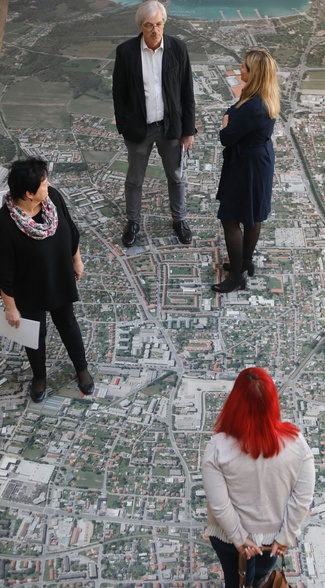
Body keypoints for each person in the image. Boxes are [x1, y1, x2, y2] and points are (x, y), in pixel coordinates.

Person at [202, 367, 315, 588]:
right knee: (258, 579)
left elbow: (219, 505)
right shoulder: (297, 444)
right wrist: (285, 537)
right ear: (273, 402)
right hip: (271, 539)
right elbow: (302, 499)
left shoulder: (217, 447)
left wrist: (240, 539)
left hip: (228, 538)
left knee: (235, 586)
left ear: (235, 402)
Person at [0, 157, 94, 402]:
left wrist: (77, 260)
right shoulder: (5, 224)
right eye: (43, 183)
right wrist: (11, 308)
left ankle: (81, 368)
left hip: (58, 278)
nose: (49, 185)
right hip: (28, 289)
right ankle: (39, 377)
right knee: (34, 336)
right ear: (29, 194)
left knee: (68, 325)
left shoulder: (52, 198)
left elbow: (71, 231)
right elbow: (4, 271)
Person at [112, 0, 196, 248]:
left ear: (164, 23)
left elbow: (187, 92)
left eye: (159, 24)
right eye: (149, 25)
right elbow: (119, 93)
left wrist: (188, 131)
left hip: (171, 128)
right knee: (134, 179)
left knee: (176, 176)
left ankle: (179, 220)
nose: (155, 30)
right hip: (140, 129)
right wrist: (124, 125)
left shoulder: (178, 49)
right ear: (140, 25)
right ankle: (133, 222)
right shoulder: (126, 52)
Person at [212, 48, 280, 294]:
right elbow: (233, 110)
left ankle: (236, 277)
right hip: (259, 161)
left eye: (244, 67)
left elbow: (226, 136)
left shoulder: (253, 107)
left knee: (230, 219)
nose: (240, 69)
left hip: (246, 165)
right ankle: (245, 261)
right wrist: (231, 116)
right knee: (252, 216)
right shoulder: (264, 97)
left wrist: (225, 123)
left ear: (254, 73)